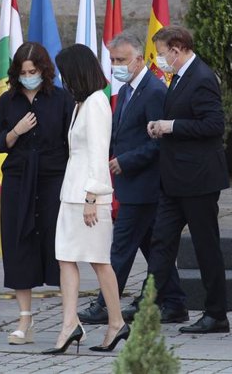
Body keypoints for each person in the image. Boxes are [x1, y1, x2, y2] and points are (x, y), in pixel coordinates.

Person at [78, 32, 188, 325]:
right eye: (113, 60)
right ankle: (175, 303)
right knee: (154, 248)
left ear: (139, 60)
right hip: (130, 185)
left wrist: (125, 161)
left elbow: (159, 141)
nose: (116, 65)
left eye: (122, 60)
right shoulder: (127, 90)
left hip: (145, 185)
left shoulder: (153, 91)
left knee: (120, 248)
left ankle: (104, 305)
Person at [43, 44, 129, 355]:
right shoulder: (82, 103)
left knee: (99, 260)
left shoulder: (95, 104)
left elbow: (98, 150)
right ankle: (70, 323)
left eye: (66, 73)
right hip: (72, 191)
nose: (63, 80)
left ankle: (115, 321)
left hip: (88, 195)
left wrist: (94, 195)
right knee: (66, 257)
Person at [146, 25, 231, 334]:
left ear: (177, 49)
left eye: (161, 52)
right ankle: (149, 304)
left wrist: (172, 127)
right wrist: (161, 126)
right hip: (175, 180)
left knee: (206, 247)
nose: (160, 58)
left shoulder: (202, 78)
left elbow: (213, 125)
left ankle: (216, 313)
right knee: (161, 242)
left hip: (199, 180)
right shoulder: (181, 76)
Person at [0, 42, 74, 346]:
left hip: (53, 180)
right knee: (18, 245)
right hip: (18, 180)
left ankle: (70, 318)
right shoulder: (7, 100)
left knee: (59, 247)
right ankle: (25, 320)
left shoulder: (61, 99)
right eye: (23, 72)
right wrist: (16, 131)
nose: (28, 76)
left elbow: (71, 142)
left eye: (33, 71)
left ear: (43, 70)